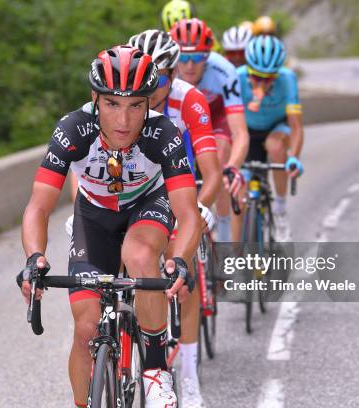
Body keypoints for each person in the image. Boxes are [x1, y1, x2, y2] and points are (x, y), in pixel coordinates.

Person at [19, 45, 201, 408]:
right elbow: (38, 207)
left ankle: (154, 369)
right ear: (94, 99)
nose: (124, 120)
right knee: (86, 330)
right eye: (112, 104)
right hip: (94, 216)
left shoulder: (163, 134)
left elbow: (189, 212)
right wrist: (34, 258)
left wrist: (180, 259)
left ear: (149, 103)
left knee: (138, 254)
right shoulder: (73, 130)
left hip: (147, 206)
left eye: (136, 105)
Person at [129, 29, 221, 408]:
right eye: (148, 79)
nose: (153, 90)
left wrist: (198, 209)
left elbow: (211, 173)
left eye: (162, 79)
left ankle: (188, 376)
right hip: (136, 189)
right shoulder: (125, 102)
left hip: (179, 185)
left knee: (181, 273)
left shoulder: (189, 100)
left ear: (174, 76)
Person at [170, 18, 250, 242]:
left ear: (208, 55)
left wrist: (233, 168)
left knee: (220, 161)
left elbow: (240, 133)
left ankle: (223, 238)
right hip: (182, 121)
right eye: (183, 58)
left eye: (197, 57)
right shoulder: (166, 72)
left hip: (215, 118)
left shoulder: (223, 71)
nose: (189, 65)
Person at [237, 35, 304, 241]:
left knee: (275, 146)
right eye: (257, 77)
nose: (263, 82)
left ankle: (280, 212)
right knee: (242, 187)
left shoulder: (287, 78)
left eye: (269, 78)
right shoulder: (237, 77)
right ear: (248, 69)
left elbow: (296, 126)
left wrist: (293, 156)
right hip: (248, 130)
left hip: (277, 126)